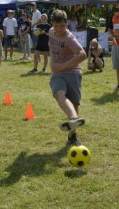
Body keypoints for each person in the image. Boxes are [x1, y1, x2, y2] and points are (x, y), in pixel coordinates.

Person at [48, 9, 87, 146]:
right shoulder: (51, 31)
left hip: (72, 73)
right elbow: (49, 33)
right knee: (59, 94)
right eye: (56, 26)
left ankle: (72, 136)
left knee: (74, 103)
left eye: (62, 26)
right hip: (57, 74)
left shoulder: (69, 38)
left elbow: (82, 54)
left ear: (66, 23)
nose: (59, 29)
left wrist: (63, 65)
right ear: (52, 23)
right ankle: (73, 117)